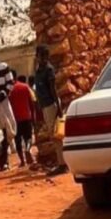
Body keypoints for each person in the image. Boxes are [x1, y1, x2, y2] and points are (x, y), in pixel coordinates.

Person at [33, 45, 67, 174]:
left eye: (42, 55)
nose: (40, 58)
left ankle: (62, 164)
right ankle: (61, 162)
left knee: (57, 136)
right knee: (54, 136)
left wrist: (58, 107)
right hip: (45, 105)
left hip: (51, 104)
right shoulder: (39, 70)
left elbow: (53, 90)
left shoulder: (48, 70)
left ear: (46, 56)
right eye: (38, 55)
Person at [8, 72, 37, 167]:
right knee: (28, 137)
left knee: (18, 141)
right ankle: (28, 149)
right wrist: (33, 117)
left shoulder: (9, 91)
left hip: (15, 119)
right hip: (26, 117)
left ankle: (22, 161)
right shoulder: (25, 87)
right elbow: (32, 103)